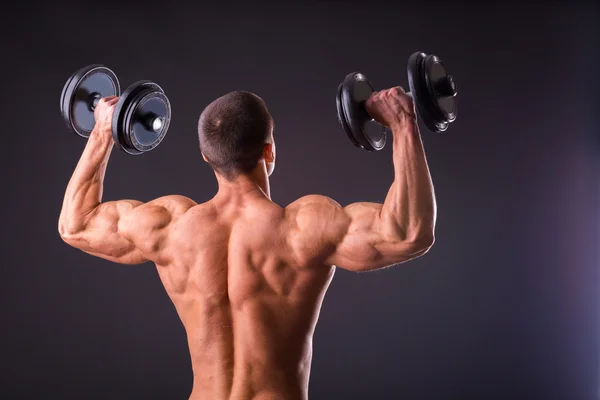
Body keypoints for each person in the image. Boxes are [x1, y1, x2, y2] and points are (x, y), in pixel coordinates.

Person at [58, 87, 436, 400]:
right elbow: (408, 232)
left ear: (207, 157)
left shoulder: (170, 229)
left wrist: (103, 133)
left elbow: (75, 225)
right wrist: (403, 124)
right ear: (269, 152)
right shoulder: (304, 229)